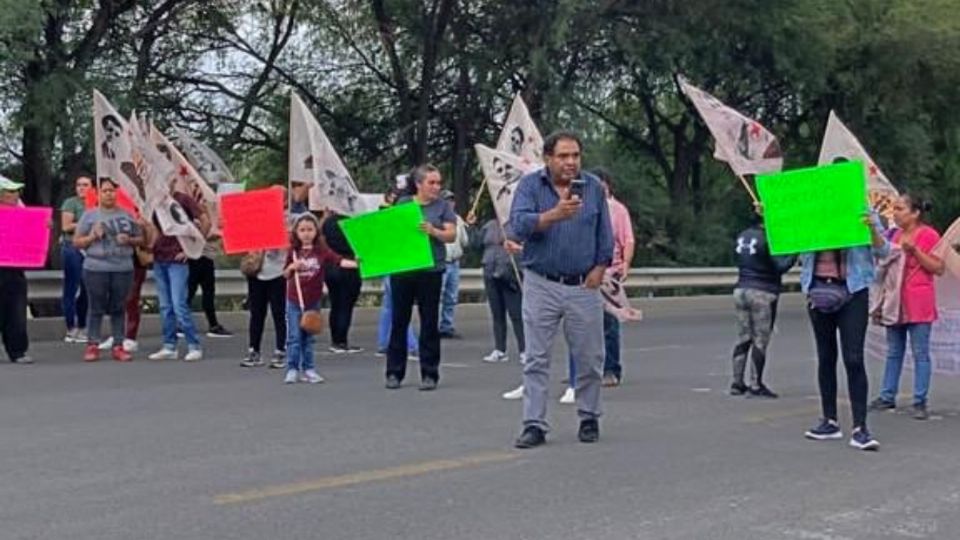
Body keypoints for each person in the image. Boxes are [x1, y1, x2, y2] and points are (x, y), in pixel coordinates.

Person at [508, 131, 614, 449]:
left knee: (589, 356)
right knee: (536, 357)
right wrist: (553, 215)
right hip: (542, 282)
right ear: (548, 158)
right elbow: (518, 225)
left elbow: (604, 233)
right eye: (563, 156)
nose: (570, 163)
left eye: (575, 156)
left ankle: (589, 417)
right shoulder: (530, 186)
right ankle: (534, 424)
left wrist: (599, 268)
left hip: (583, 283)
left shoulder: (593, 187)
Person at [801, 210, 889, 451]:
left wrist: (871, 228)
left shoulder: (862, 210)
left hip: (853, 291)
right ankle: (829, 420)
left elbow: (884, 251)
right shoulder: (809, 212)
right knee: (826, 357)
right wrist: (774, 216)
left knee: (853, 358)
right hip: (818, 289)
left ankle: (860, 428)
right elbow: (786, 243)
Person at [870, 195, 943, 420]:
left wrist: (915, 252)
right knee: (894, 351)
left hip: (919, 300)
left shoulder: (929, 235)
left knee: (920, 352)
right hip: (895, 300)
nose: (896, 213)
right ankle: (887, 395)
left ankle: (920, 400)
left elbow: (938, 267)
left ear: (915, 213)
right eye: (895, 208)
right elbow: (881, 253)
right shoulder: (894, 234)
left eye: (901, 208)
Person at [385, 164, 457, 391]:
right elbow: (391, 232)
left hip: (431, 270)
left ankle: (430, 374)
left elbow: (451, 234)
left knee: (429, 322)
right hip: (404, 269)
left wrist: (433, 231)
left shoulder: (443, 206)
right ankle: (394, 373)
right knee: (399, 320)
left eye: (438, 183)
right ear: (418, 184)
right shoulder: (404, 204)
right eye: (431, 183)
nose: (436, 187)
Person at [72, 178, 144, 362]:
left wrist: (129, 239)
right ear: (98, 193)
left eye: (112, 191)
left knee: (118, 307)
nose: (109, 194)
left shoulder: (127, 215)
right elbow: (76, 242)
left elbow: (141, 239)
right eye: (105, 191)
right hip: (96, 267)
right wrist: (92, 237)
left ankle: (118, 345)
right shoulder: (89, 216)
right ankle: (93, 344)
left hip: (123, 267)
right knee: (96, 307)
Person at [729, 206, 796, 398]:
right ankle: (756, 384)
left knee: (743, 336)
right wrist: (794, 254)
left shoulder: (743, 235)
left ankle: (737, 382)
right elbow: (779, 266)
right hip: (763, 290)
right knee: (760, 339)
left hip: (741, 287)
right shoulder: (769, 238)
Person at [283, 213, 356, 384]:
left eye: (310, 229)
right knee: (294, 337)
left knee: (309, 336)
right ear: (296, 232)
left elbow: (338, 261)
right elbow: (285, 274)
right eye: (302, 230)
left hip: (313, 300)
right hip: (295, 300)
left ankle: (309, 369)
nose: (306, 233)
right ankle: (292, 368)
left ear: (316, 231)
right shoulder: (293, 251)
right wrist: (292, 267)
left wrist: (356, 264)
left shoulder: (321, 251)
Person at [147, 190, 209, 362]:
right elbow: (155, 229)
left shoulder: (183, 199)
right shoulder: (155, 200)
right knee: (165, 306)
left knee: (178, 304)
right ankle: (169, 345)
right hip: (160, 258)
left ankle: (193, 345)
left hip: (178, 259)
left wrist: (193, 248)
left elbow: (205, 220)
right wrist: (149, 247)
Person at [466, 212, 525, 364]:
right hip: (490, 272)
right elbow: (475, 245)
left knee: (516, 313)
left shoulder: (517, 224)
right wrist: (471, 227)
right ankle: (500, 349)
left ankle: (524, 350)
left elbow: (527, 245)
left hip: (509, 272)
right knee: (497, 313)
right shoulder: (489, 225)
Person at [376, 186, 418, 358]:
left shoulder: (384, 216)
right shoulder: (395, 217)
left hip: (390, 263)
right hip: (396, 264)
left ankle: (384, 342)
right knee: (400, 305)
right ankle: (410, 344)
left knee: (389, 305)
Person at [0, 175, 33, 364]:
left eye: (15, 191)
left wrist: (44, 228)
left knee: (16, 310)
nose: (15, 195)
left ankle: (17, 351)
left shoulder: (21, 213)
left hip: (14, 268)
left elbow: (33, 237)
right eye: (10, 191)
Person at [322, 210, 363, 353]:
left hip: (331, 267)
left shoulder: (328, 223)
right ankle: (342, 340)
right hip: (349, 265)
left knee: (335, 305)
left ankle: (335, 340)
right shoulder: (351, 223)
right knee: (346, 306)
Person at [241, 249, 289, 369]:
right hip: (256, 273)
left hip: (278, 275)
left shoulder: (284, 234)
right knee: (256, 315)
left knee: (279, 314)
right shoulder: (255, 234)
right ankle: (254, 350)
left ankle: (280, 350)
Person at [60, 175, 92, 343]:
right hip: (72, 247)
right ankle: (70, 327)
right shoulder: (71, 203)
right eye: (79, 185)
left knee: (86, 287)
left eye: (85, 185)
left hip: (89, 248)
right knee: (72, 287)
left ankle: (82, 325)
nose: (81, 188)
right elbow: (66, 226)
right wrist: (87, 224)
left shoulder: (95, 203)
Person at [187, 229, 232, 338]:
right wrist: (217, 234)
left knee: (207, 293)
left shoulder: (211, 217)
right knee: (191, 293)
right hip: (198, 257)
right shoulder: (197, 217)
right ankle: (183, 324)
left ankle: (213, 324)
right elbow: (198, 234)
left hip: (207, 257)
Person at [439, 190, 469, 339]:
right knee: (438, 295)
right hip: (441, 262)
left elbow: (465, 241)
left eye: (451, 200)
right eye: (447, 200)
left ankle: (447, 326)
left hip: (455, 262)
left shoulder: (457, 219)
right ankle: (434, 326)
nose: (450, 203)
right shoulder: (436, 218)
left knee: (451, 296)